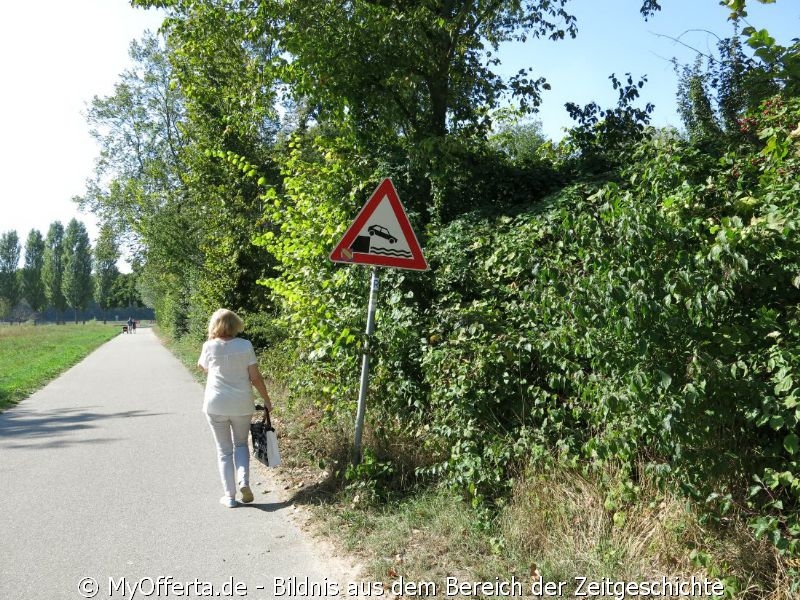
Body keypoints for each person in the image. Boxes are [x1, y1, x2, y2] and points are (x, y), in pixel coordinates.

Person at [197, 308, 274, 508]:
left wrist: (212, 343)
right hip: (242, 404)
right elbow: (255, 377)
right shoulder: (245, 345)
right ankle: (244, 481)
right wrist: (266, 400)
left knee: (224, 451)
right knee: (241, 445)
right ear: (235, 325)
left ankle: (229, 497)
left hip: (216, 404)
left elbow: (203, 367)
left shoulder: (209, 346)